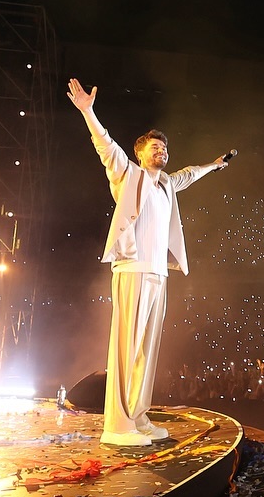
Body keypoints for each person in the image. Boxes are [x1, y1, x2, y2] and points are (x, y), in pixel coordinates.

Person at [67, 78, 230, 447]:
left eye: (164, 147)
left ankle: (138, 417)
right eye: (155, 147)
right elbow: (105, 146)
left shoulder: (167, 185)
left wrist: (215, 166)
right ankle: (117, 426)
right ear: (140, 153)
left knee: (147, 350)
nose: (162, 151)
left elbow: (189, 173)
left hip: (159, 274)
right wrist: (88, 112)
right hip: (133, 270)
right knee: (127, 346)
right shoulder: (129, 175)